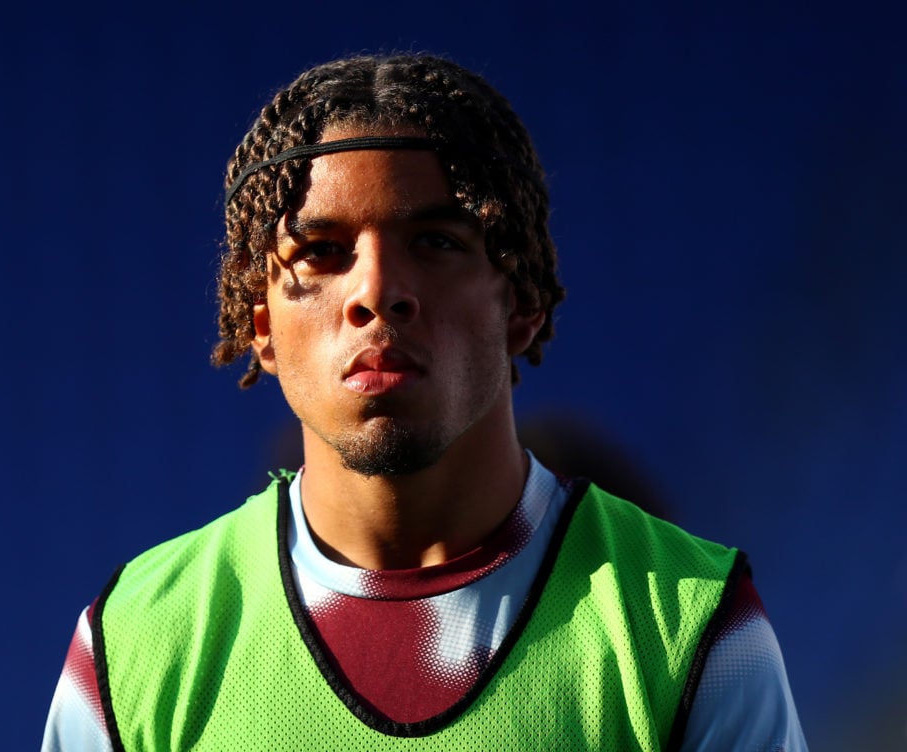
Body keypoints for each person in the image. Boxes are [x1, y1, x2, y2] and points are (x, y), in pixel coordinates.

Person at [42, 53, 807, 751]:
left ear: (524, 302)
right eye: (321, 252)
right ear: (261, 324)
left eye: (436, 242)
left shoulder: (694, 626)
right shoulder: (135, 644)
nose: (376, 292)